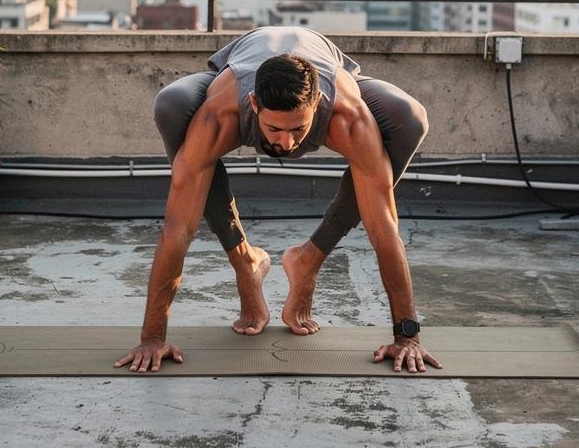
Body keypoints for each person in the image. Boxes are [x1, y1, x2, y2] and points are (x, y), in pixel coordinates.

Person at [115, 26, 441, 375]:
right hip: (241, 64)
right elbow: (178, 227)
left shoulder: (348, 118)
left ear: (318, 103)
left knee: (409, 117)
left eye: (298, 130)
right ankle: (246, 263)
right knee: (172, 105)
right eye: (275, 130)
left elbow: (384, 228)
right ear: (254, 104)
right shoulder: (220, 116)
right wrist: (152, 337)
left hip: (324, 63)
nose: (287, 145)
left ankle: (307, 260)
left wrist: (407, 336)